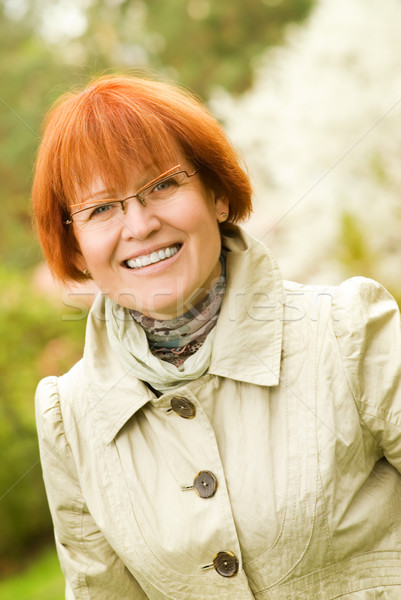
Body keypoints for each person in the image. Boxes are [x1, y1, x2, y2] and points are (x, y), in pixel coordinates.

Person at [32, 74, 401, 600]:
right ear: (74, 248)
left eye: (161, 185)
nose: (138, 226)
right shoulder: (67, 417)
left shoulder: (348, 331)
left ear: (217, 195)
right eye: (100, 208)